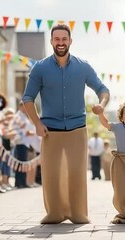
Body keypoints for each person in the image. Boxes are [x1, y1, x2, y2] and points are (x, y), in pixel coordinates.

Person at [22, 24, 110, 224]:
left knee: (77, 172)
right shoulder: (40, 68)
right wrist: (36, 123)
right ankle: (54, 213)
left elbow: (102, 89)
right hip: (50, 130)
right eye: (57, 39)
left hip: (77, 128)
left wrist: (101, 105)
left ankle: (78, 213)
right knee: (51, 173)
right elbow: (27, 98)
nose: (61, 43)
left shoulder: (83, 66)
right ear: (51, 41)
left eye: (64, 39)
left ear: (70, 41)